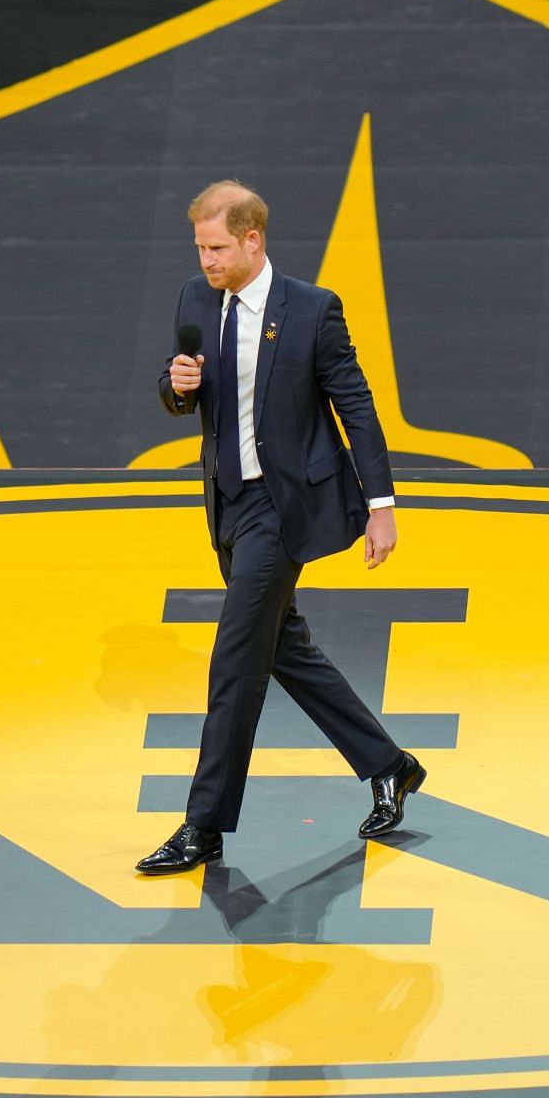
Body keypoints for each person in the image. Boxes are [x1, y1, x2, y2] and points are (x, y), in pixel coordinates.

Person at [135, 181, 424, 877]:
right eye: (199, 248)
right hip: (227, 504)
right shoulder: (195, 300)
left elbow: (355, 404)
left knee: (236, 661)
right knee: (282, 647)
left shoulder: (313, 310)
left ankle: (203, 826)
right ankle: (389, 764)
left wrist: (380, 505)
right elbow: (185, 398)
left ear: (252, 239)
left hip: (283, 507)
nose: (205, 261)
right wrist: (176, 387)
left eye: (217, 248)